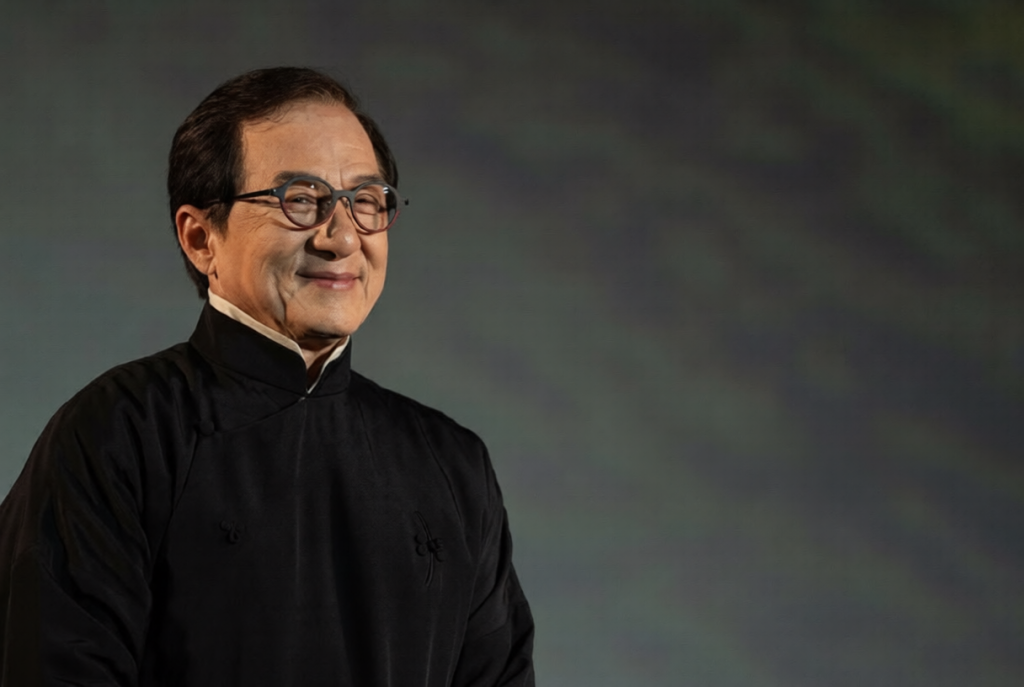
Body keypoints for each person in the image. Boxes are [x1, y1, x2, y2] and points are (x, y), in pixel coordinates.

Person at [0, 67, 534, 686]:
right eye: (300, 200)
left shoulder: (453, 465)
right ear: (201, 238)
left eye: (365, 202)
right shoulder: (119, 434)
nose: (341, 238)